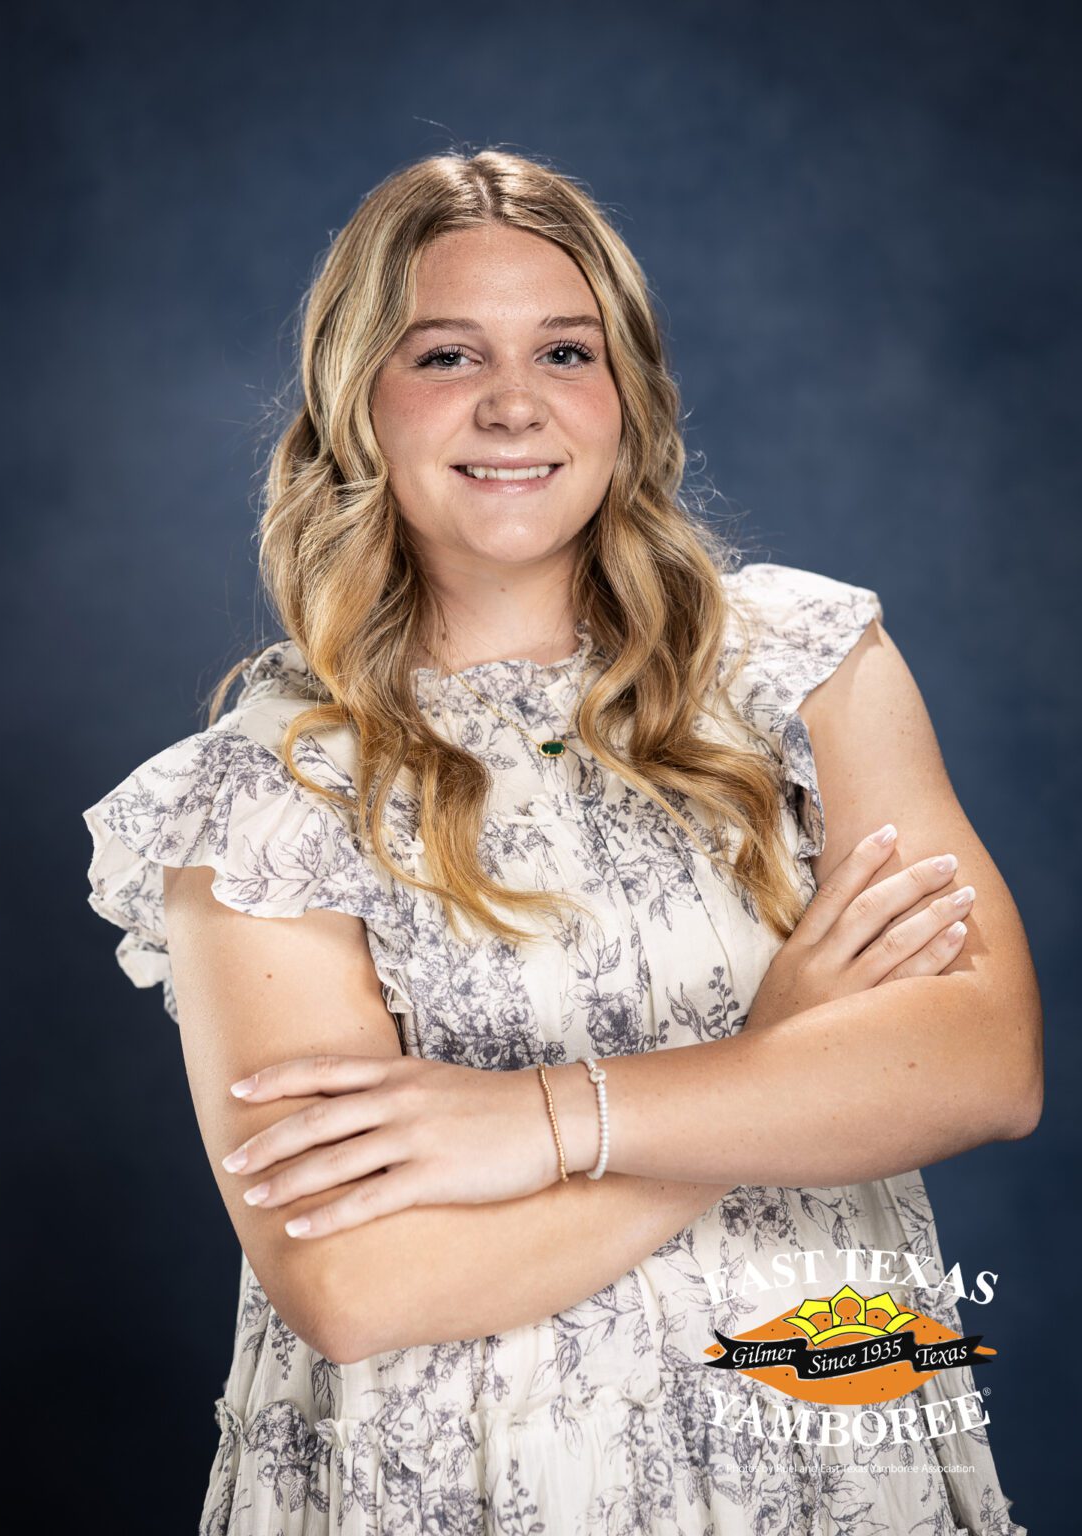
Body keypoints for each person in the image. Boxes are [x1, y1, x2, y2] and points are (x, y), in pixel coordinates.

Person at [82, 149, 1040, 1535]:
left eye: (566, 351)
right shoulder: (262, 790)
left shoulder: (803, 667)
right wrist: (777, 1070)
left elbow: (979, 1063)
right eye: (447, 353)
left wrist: (534, 1124)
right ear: (357, 402)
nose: (513, 403)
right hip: (460, 1482)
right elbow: (356, 1289)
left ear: (628, 397)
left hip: (823, 1459)